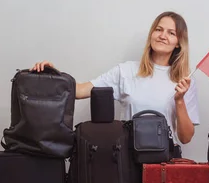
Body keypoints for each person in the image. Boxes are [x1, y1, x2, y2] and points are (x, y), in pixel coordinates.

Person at [31, 11, 200, 157]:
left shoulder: (184, 81)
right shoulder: (126, 71)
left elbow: (185, 138)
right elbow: (80, 91)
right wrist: (52, 75)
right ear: (151, 35)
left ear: (178, 42)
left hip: (166, 159)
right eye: (158, 29)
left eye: (171, 33)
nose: (163, 36)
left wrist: (179, 100)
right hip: (128, 156)